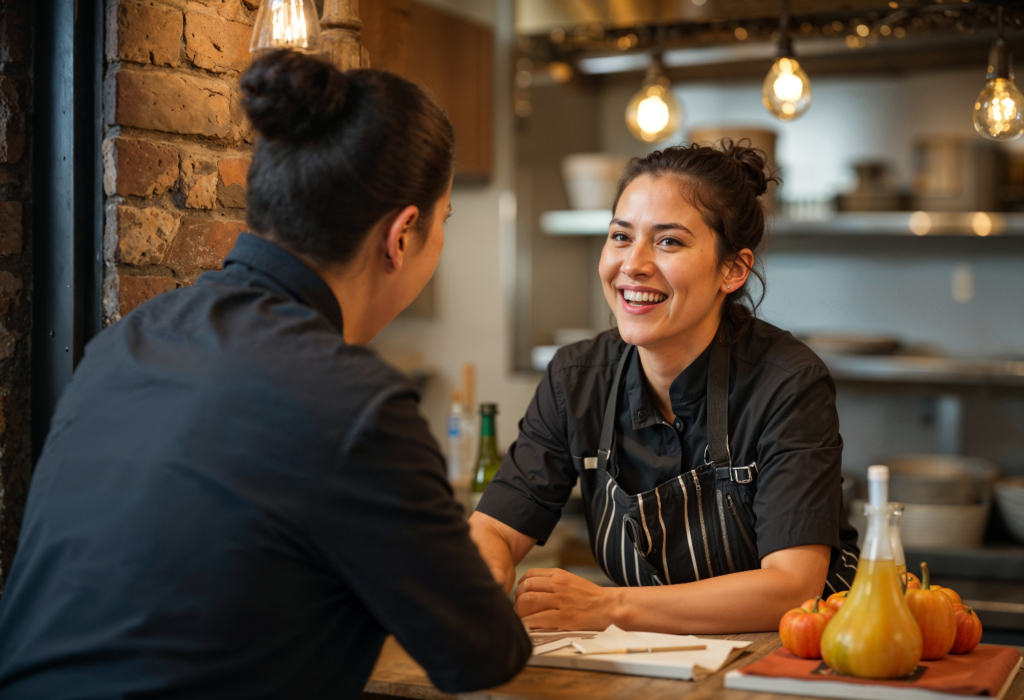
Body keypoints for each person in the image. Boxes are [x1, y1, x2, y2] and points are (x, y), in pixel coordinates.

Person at [0, 51, 529, 698]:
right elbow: (481, 653)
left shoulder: (126, 342)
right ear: (402, 235)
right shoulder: (352, 398)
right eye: (444, 221)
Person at [469, 141, 860, 634]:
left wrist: (610, 608)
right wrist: (478, 583)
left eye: (668, 241)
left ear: (732, 270)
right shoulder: (577, 378)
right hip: (653, 666)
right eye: (620, 236)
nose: (632, 264)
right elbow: (494, 528)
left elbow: (791, 586)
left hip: (791, 663)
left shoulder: (786, 383)